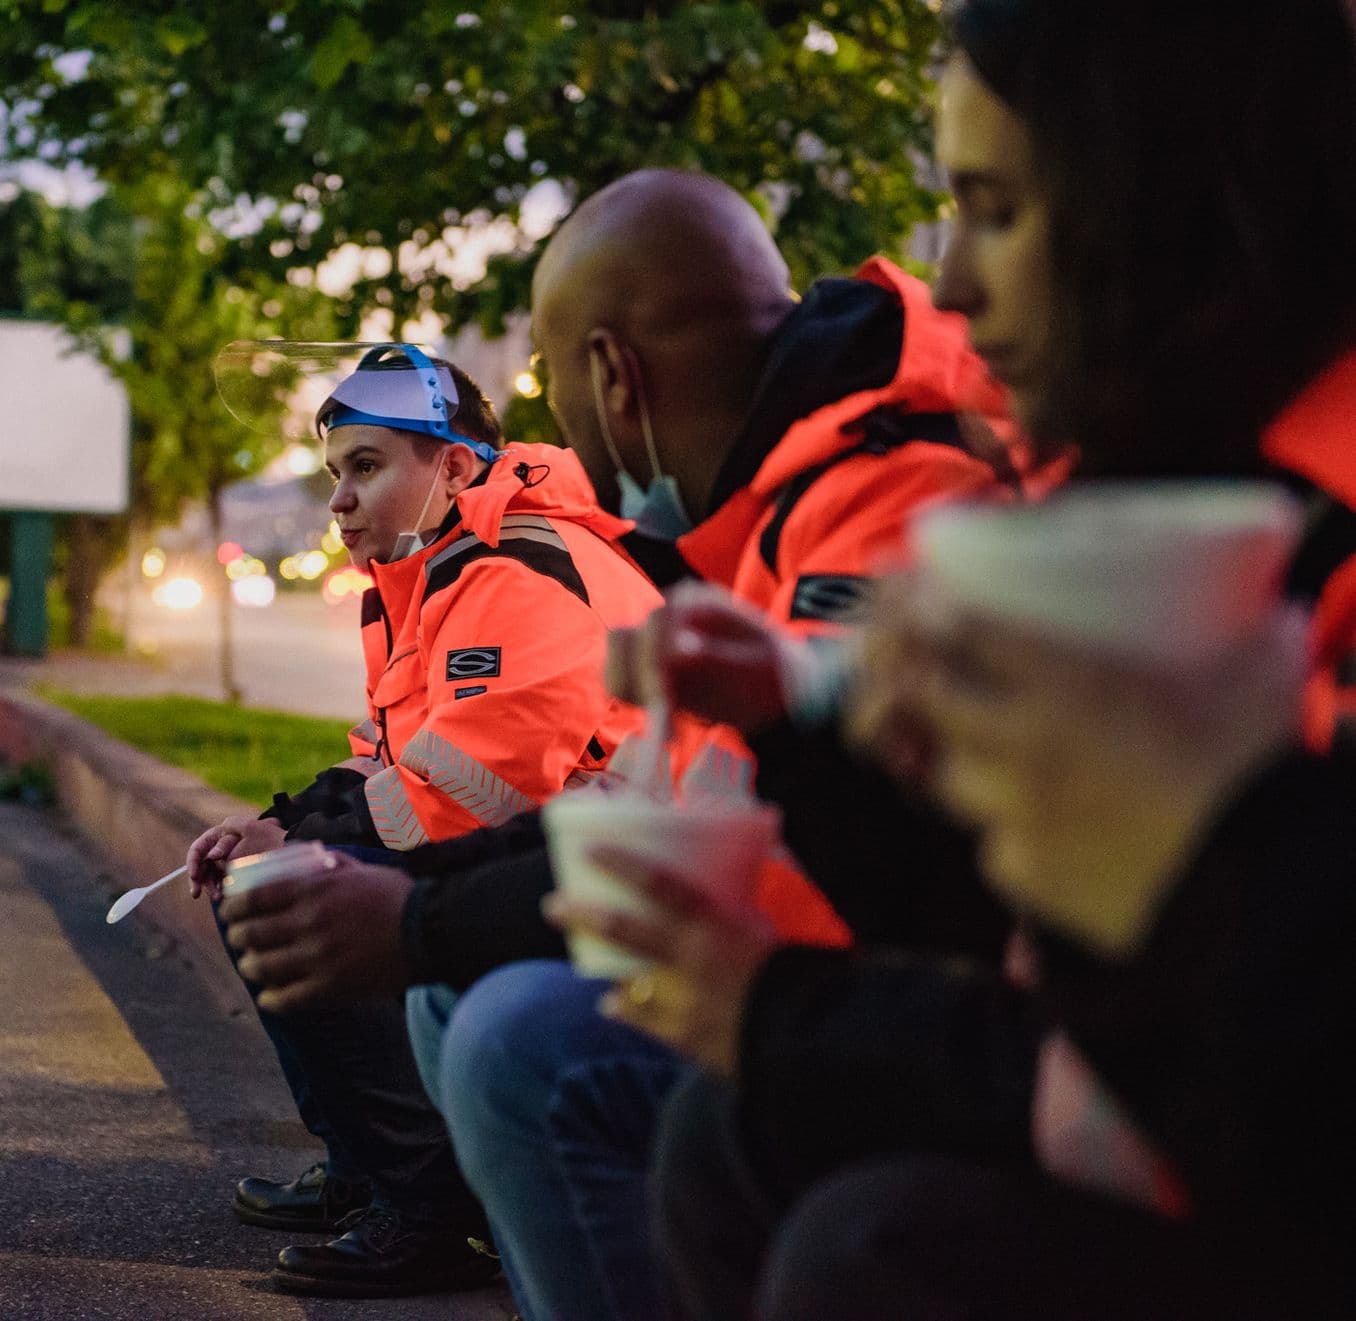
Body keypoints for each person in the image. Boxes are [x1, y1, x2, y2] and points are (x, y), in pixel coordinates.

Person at [552, 2, 1356, 1316]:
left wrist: (773, 1008)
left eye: (994, 209)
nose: (957, 285)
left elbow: (1267, 1063)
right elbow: (1017, 938)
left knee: (870, 1240)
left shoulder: (1277, 528)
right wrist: (802, 722)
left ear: (1164, 200)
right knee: (730, 1139)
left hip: (1265, 1144)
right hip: (1158, 1086)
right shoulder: (1153, 487)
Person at [222, 168, 1021, 1320]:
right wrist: (360, 865)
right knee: (454, 988)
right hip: (806, 950)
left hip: (903, 991)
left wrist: (407, 911)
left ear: (611, 372)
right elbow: (670, 789)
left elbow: (785, 831)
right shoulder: (759, 505)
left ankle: (437, 1215)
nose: (340, 501)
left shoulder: (872, 494)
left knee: (512, 1034)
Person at [189, 346, 665, 1298]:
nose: (340, 502)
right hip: (550, 866)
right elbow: (388, 752)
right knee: (266, 878)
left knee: (299, 898)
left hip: (607, 883)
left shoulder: (518, 569)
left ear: (453, 464)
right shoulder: (432, 574)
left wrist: (305, 846)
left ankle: (434, 1212)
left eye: (366, 467)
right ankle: (370, 1172)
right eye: (336, 473)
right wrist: (275, 821)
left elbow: (471, 789)